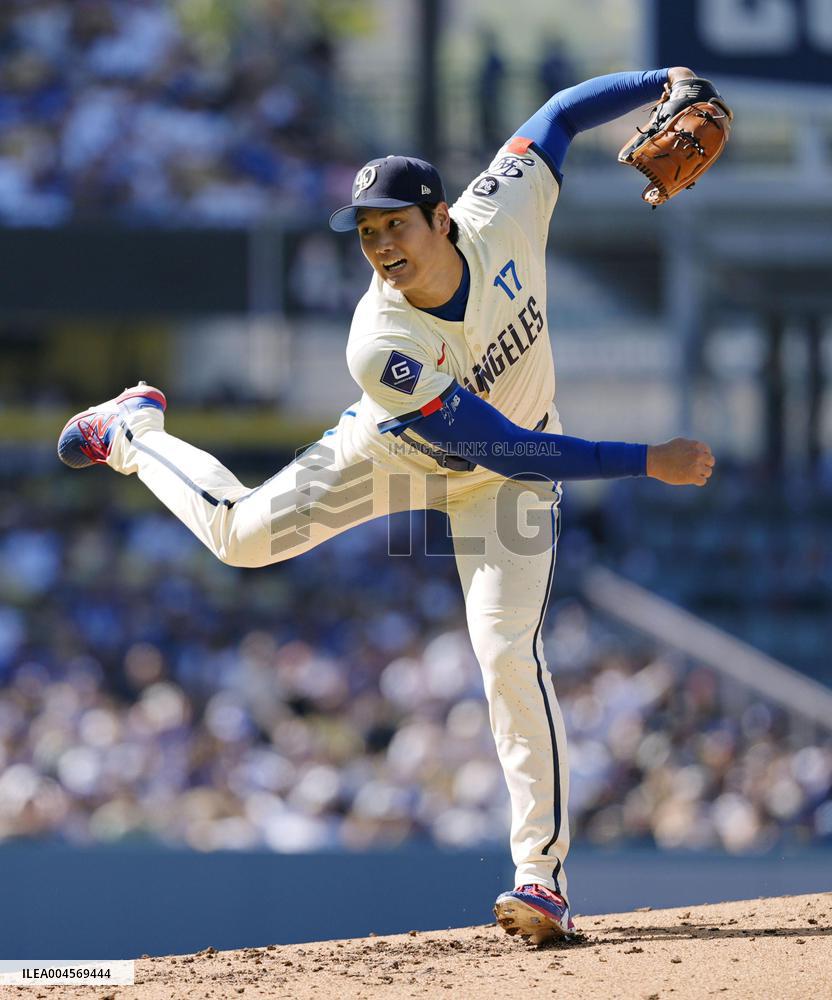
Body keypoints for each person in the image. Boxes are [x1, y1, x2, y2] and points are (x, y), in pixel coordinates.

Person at [58, 65, 714, 944]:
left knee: (506, 652)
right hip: (400, 453)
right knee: (239, 539)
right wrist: (646, 460)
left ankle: (540, 881)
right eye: (365, 234)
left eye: (394, 225)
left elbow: (557, 115)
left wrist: (661, 80)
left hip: (505, 487)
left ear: (441, 217)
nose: (380, 247)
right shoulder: (381, 340)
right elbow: (497, 442)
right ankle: (134, 431)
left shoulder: (502, 210)